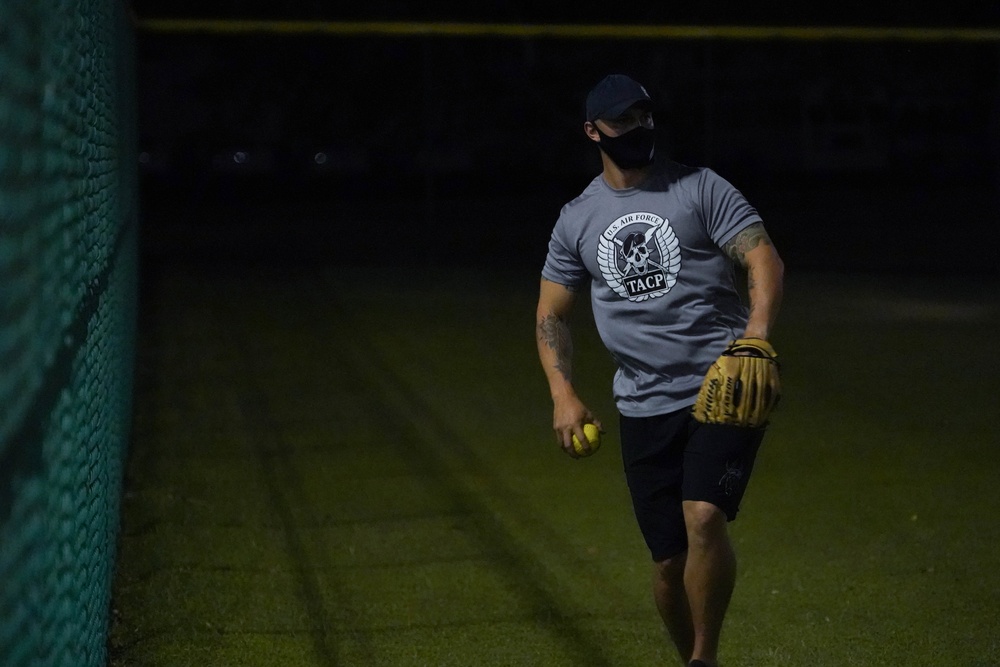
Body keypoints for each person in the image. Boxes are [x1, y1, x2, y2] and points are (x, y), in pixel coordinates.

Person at [534, 73, 784, 667]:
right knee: (668, 563)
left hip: (721, 386)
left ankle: (705, 658)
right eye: (624, 122)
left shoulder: (700, 188)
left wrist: (755, 337)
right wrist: (562, 394)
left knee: (702, 517)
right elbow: (551, 314)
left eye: (645, 118)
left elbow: (763, 256)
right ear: (593, 132)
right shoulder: (577, 218)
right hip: (642, 404)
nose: (639, 130)